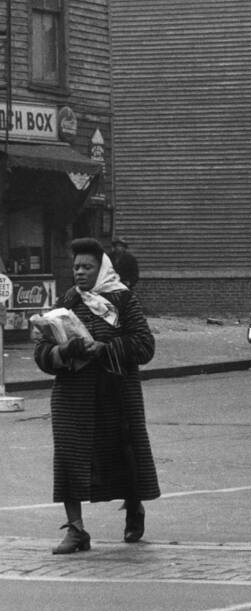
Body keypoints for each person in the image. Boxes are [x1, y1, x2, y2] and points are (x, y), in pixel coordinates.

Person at [34, 237, 159, 554]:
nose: (79, 272)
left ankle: (134, 508)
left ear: (102, 268)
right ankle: (76, 530)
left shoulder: (121, 301)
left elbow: (144, 346)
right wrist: (64, 350)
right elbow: (42, 352)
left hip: (113, 395)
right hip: (72, 396)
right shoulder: (68, 301)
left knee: (122, 455)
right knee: (68, 458)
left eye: (87, 266)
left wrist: (105, 348)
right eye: (76, 266)